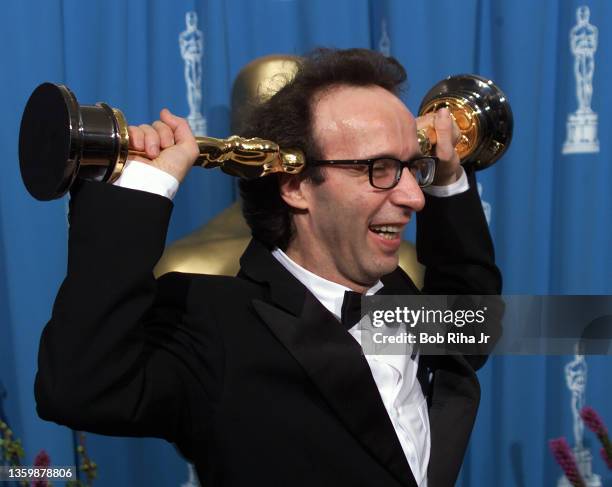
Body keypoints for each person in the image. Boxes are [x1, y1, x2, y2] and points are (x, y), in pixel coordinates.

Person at [35, 48, 501, 487]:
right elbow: (78, 389)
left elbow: (475, 331)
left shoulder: (397, 295)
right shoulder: (213, 325)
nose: (414, 198)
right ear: (296, 186)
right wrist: (142, 190)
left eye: (412, 167)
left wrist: (448, 177)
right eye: (378, 168)